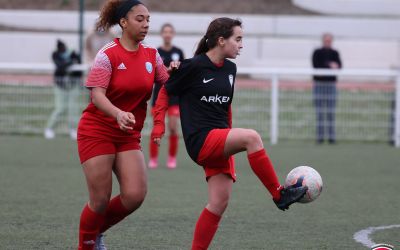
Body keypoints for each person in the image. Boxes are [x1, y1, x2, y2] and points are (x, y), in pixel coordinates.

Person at [151, 17, 307, 250]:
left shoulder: (231, 68)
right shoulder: (192, 66)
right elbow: (165, 91)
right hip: (201, 140)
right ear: (221, 40)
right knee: (252, 137)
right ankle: (278, 194)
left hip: (220, 139)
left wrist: (230, 141)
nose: (242, 45)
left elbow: (226, 108)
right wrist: (158, 125)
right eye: (238, 39)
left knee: (218, 203)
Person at [76, 1, 176, 249]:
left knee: (135, 195)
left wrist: (176, 72)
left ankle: (94, 231)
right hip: (97, 130)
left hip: (128, 134)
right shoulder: (107, 54)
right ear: (123, 22)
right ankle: (86, 243)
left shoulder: (152, 55)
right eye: (139, 19)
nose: (146, 24)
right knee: (99, 201)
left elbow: (167, 83)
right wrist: (118, 113)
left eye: (148, 20)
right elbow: (97, 95)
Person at [149, 23, 185, 169]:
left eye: (170, 31)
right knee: (157, 127)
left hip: (174, 96)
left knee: (172, 127)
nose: (168, 34)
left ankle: (171, 158)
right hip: (159, 95)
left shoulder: (179, 52)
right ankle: (153, 158)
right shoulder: (155, 52)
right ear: (162, 34)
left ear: (173, 34)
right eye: (165, 31)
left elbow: (184, 73)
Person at [44, 39, 81, 140]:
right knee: (60, 108)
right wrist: (70, 62)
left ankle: (73, 129)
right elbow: (60, 66)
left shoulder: (72, 53)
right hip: (60, 85)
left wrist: (75, 57)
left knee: (73, 108)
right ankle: (49, 128)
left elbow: (78, 63)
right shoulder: (55, 54)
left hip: (73, 84)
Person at [312, 33, 342, 144]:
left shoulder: (335, 53)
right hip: (319, 85)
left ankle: (331, 138)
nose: (327, 42)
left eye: (329, 41)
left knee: (331, 112)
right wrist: (330, 65)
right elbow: (316, 66)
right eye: (326, 40)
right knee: (319, 112)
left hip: (331, 86)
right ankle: (320, 138)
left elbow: (339, 66)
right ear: (323, 41)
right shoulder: (317, 52)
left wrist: (328, 66)